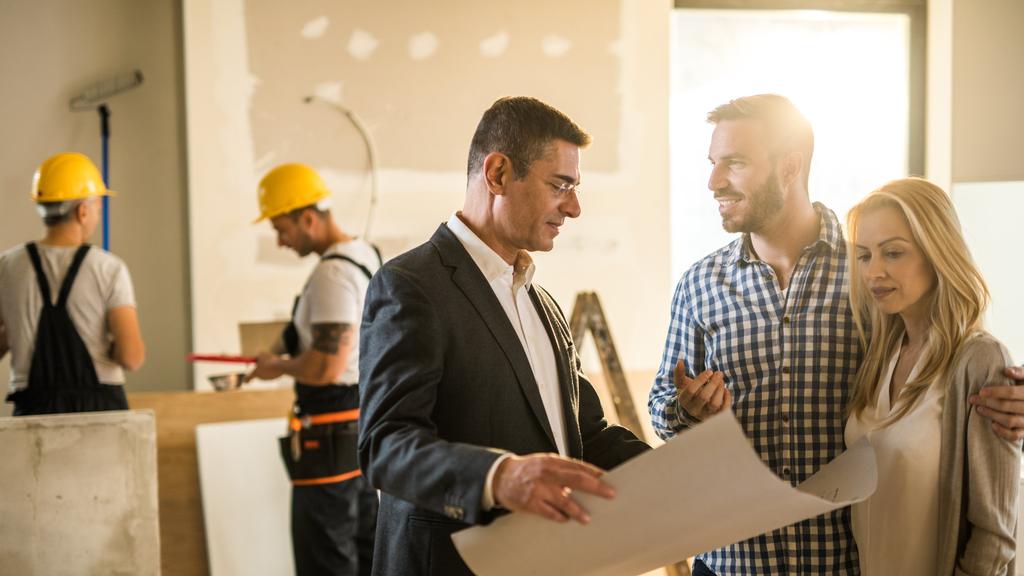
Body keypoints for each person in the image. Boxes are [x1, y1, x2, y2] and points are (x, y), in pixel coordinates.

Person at [647, 94, 1024, 575]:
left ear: (790, 166)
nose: (714, 181)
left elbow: (954, 367)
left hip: (844, 561)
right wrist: (685, 411)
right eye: (713, 163)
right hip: (733, 561)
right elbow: (662, 405)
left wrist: (1012, 401)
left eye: (735, 163)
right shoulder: (699, 284)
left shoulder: (870, 274)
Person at [357, 96, 650, 576]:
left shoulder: (544, 305)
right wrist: (499, 475)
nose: (574, 208)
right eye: (561, 186)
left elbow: (586, 436)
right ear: (497, 175)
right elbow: (385, 446)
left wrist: (678, 475)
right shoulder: (411, 285)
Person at [844, 177, 1019, 575]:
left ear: (937, 252)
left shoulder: (979, 361)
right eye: (864, 255)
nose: (874, 272)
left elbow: (994, 536)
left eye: (893, 253)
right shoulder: (881, 356)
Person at [246, 163, 380, 576]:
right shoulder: (365, 254)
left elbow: (326, 365)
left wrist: (278, 367)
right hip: (361, 430)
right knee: (363, 551)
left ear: (308, 218)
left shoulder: (332, 274)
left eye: (281, 228)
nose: (280, 240)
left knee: (326, 559)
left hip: (328, 440)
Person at [0, 152, 144, 416]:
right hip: (99, 409)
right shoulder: (108, 268)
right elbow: (131, 357)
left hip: (33, 409)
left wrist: (18, 328)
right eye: (99, 207)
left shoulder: (7, 266)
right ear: (82, 210)